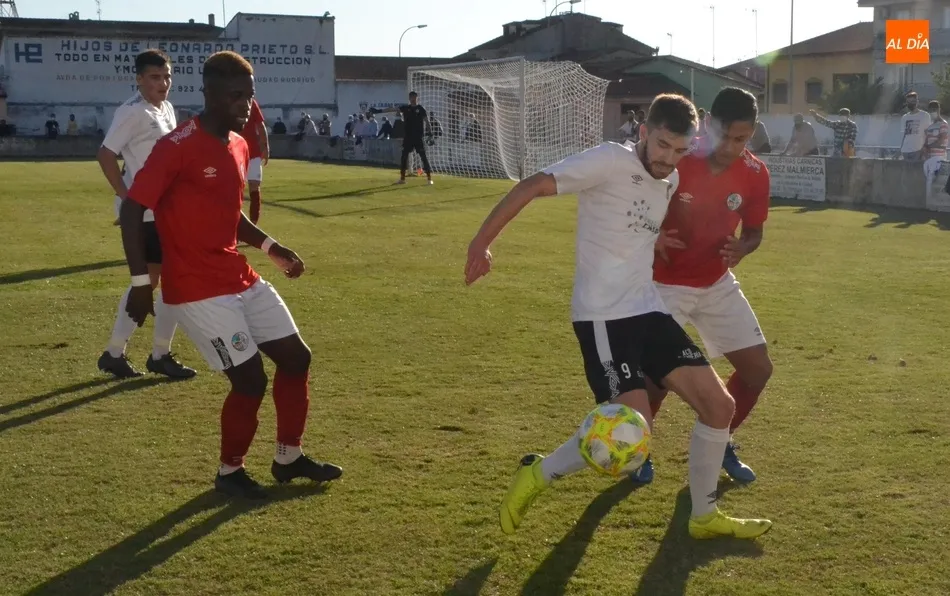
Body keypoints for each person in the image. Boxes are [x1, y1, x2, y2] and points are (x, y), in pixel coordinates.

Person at [465, 93, 772, 540]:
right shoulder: (609, 160)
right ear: (644, 133)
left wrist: (656, 239)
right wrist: (481, 243)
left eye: (680, 150)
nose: (669, 159)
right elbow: (532, 185)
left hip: (647, 308)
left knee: (719, 406)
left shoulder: (669, 180)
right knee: (630, 433)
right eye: (662, 145)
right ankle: (538, 472)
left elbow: (637, 223)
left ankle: (703, 515)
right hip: (603, 318)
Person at [118, 51, 342, 498]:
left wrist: (271, 247)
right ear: (208, 93)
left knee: (297, 358)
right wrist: (142, 284)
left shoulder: (238, 145)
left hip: (237, 274)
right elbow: (131, 211)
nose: (246, 105)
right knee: (250, 380)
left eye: (250, 96)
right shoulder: (176, 146)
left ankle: (288, 457)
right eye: (236, 96)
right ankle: (229, 472)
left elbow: (228, 213)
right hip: (196, 288)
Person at [635, 87, 773, 486]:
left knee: (758, 370)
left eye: (741, 139)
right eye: (724, 135)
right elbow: (631, 204)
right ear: (708, 123)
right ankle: (636, 450)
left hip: (716, 283)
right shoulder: (678, 155)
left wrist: (743, 247)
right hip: (663, 285)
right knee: (654, 379)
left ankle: (720, 440)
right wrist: (653, 236)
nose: (730, 147)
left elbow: (755, 232)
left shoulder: (755, 173)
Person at [96, 49, 196, 380]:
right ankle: (153, 354)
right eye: (155, 77)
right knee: (161, 281)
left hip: (165, 210)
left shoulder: (166, 108)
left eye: (167, 76)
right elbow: (106, 154)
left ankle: (123, 354)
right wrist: (127, 200)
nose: (163, 83)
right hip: (147, 214)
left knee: (158, 281)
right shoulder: (132, 112)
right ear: (139, 79)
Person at [382, 91, 433, 185]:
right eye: (411, 97)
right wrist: (379, 111)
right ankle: (402, 178)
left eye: (414, 97)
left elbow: (427, 121)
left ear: (417, 98)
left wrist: (430, 133)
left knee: (423, 157)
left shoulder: (420, 109)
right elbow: (392, 109)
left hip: (418, 137)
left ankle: (429, 178)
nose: (413, 99)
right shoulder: (406, 108)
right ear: (409, 98)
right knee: (404, 157)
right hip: (408, 137)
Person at [240, 98, 268, 224]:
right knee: (236, 189)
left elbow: (261, 125)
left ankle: (253, 223)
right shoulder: (228, 101)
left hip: (253, 153)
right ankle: (237, 224)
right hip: (236, 153)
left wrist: (265, 147)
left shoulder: (251, 102)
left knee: (254, 187)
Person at [923, 100, 948, 193]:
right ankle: (929, 200)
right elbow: (927, 141)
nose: (932, 112)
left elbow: (941, 140)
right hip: (929, 158)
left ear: (939, 110)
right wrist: (925, 147)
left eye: (934, 109)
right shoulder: (930, 126)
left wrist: (928, 146)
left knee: (935, 183)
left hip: (939, 158)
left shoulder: (943, 124)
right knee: (929, 183)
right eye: (930, 110)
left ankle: (932, 201)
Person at [900, 91, 932, 161]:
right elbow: (904, 135)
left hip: (918, 150)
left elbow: (928, 134)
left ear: (917, 102)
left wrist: (925, 148)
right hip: (905, 151)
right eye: (908, 102)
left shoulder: (925, 115)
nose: (910, 104)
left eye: (912, 101)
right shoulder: (904, 117)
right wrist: (900, 149)